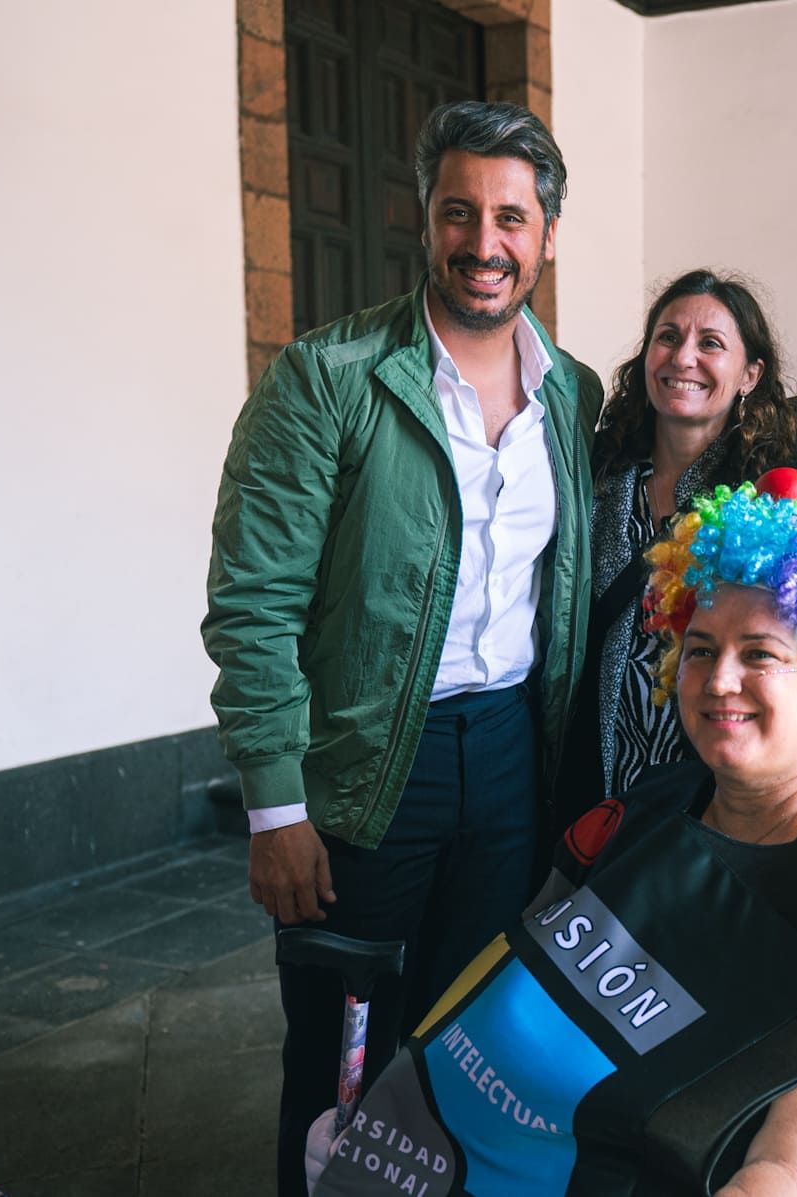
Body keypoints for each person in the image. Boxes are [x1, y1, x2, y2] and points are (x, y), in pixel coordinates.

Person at [306, 479, 797, 1196]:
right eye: (700, 649)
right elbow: (511, 979)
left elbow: (791, 1176)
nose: (720, 680)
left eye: (760, 654)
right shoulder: (651, 809)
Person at [201, 100, 603, 1196]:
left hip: (514, 759)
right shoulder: (326, 380)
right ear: (424, 220)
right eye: (459, 212)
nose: (485, 243)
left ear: (546, 234)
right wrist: (275, 810)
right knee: (342, 1059)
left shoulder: (573, 398)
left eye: (511, 218)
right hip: (370, 763)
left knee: (471, 1044)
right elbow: (253, 602)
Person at [555, 269, 797, 826]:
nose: (683, 358)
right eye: (668, 337)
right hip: (580, 775)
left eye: (711, 344)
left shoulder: (767, 503)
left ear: (750, 374)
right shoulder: (593, 472)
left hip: (702, 786)